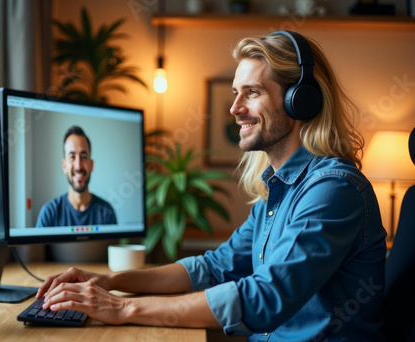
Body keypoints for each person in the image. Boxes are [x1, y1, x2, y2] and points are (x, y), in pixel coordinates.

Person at [36, 31, 386, 341]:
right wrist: (111, 282)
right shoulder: (276, 193)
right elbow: (215, 266)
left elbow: (265, 298)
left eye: (252, 93)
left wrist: (123, 309)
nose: (234, 108)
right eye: (236, 93)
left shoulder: (334, 190)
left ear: (301, 100)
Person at [36, 125, 117, 227]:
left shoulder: (107, 212)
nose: (78, 166)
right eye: (72, 157)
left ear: (91, 165)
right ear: (64, 165)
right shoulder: (49, 213)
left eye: (83, 157)